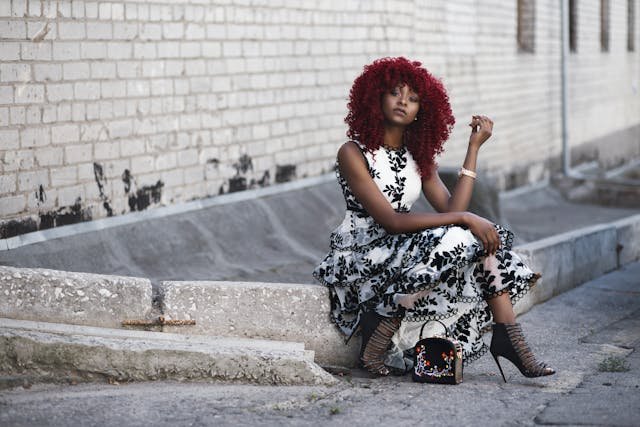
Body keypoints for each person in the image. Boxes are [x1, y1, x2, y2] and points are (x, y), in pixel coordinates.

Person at [312, 57, 555, 382]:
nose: (403, 102)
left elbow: (451, 207)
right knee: (462, 233)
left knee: (471, 239)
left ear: (421, 112)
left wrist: (473, 149)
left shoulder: (418, 157)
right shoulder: (352, 152)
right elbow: (391, 222)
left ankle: (508, 336)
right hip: (363, 255)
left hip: (403, 251)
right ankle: (387, 332)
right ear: (375, 98)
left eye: (413, 99)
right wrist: (467, 218)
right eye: (396, 94)